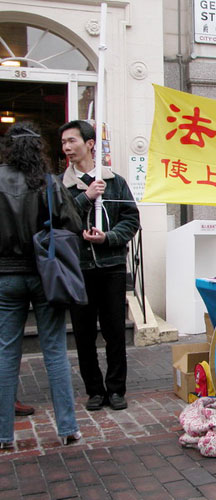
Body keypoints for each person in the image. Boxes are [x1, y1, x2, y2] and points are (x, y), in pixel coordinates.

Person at [0, 122, 82, 448]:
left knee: (6, 353)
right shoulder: (49, 183)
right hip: (47, 275)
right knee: (55, 350)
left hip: (6, 276)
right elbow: (73, 224)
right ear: (38, 149)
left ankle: (4, 435)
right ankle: (67, 428)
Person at [59, 120, 140, 411]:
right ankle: (94, 390)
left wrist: (108, 238)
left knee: (115, 331)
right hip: (77, 269)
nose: (67, 147)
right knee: (83, 334)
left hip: (111, 266)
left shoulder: (115, 181)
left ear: (90, 143)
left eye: (72, 141)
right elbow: (59, 221)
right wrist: (86, 197)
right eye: (64, 143)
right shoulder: (61, 185)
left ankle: (116, 389)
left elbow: (131, 219)